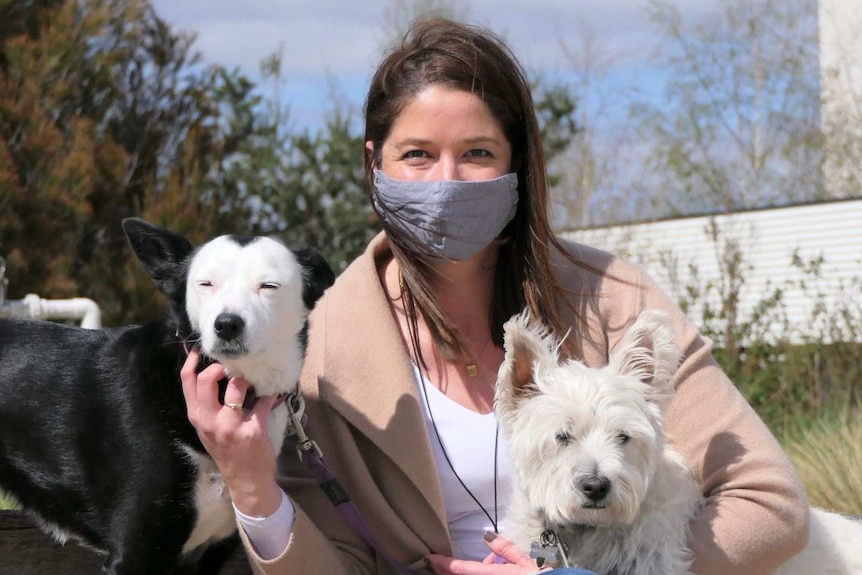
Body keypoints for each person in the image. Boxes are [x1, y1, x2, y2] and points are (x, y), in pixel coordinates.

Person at [180, 17, 810, 575]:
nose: (447, 181)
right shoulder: (317, 346)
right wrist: (253, 489)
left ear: (517, 162)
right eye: (418, 155)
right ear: (374, 165)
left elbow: (769, 502)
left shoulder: (615, 300)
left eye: (477, 153)